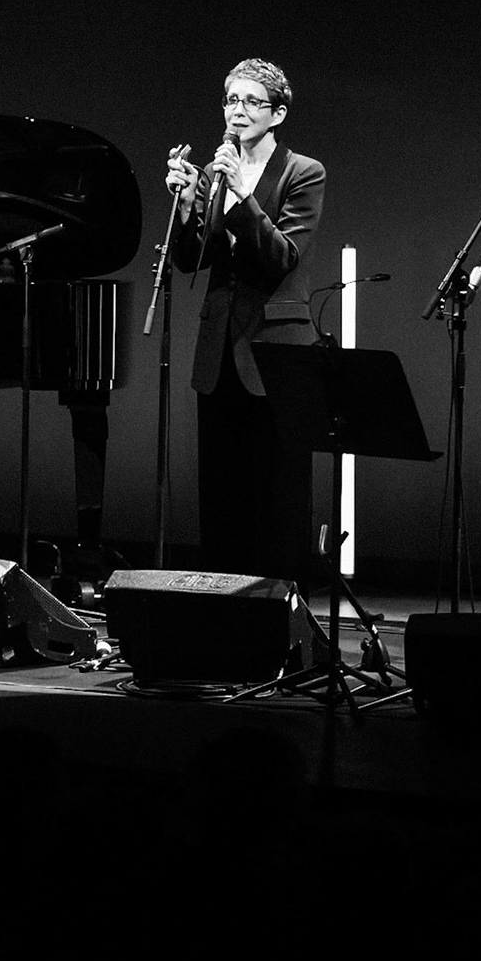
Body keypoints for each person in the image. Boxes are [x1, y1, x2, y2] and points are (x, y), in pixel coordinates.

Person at [165, 58, 325, 585]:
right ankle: (222, 618)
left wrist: (239, 194)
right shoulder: (215, 173)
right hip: (219, 350)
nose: (237, 111)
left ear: (277, 113)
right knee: (222, 493)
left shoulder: (302, 172)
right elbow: (192, 261)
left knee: (277, 497)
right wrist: (189, 204)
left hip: (277, 350)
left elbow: (280, 258)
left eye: (251, 102)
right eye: (231, 100)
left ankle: (279, 624)